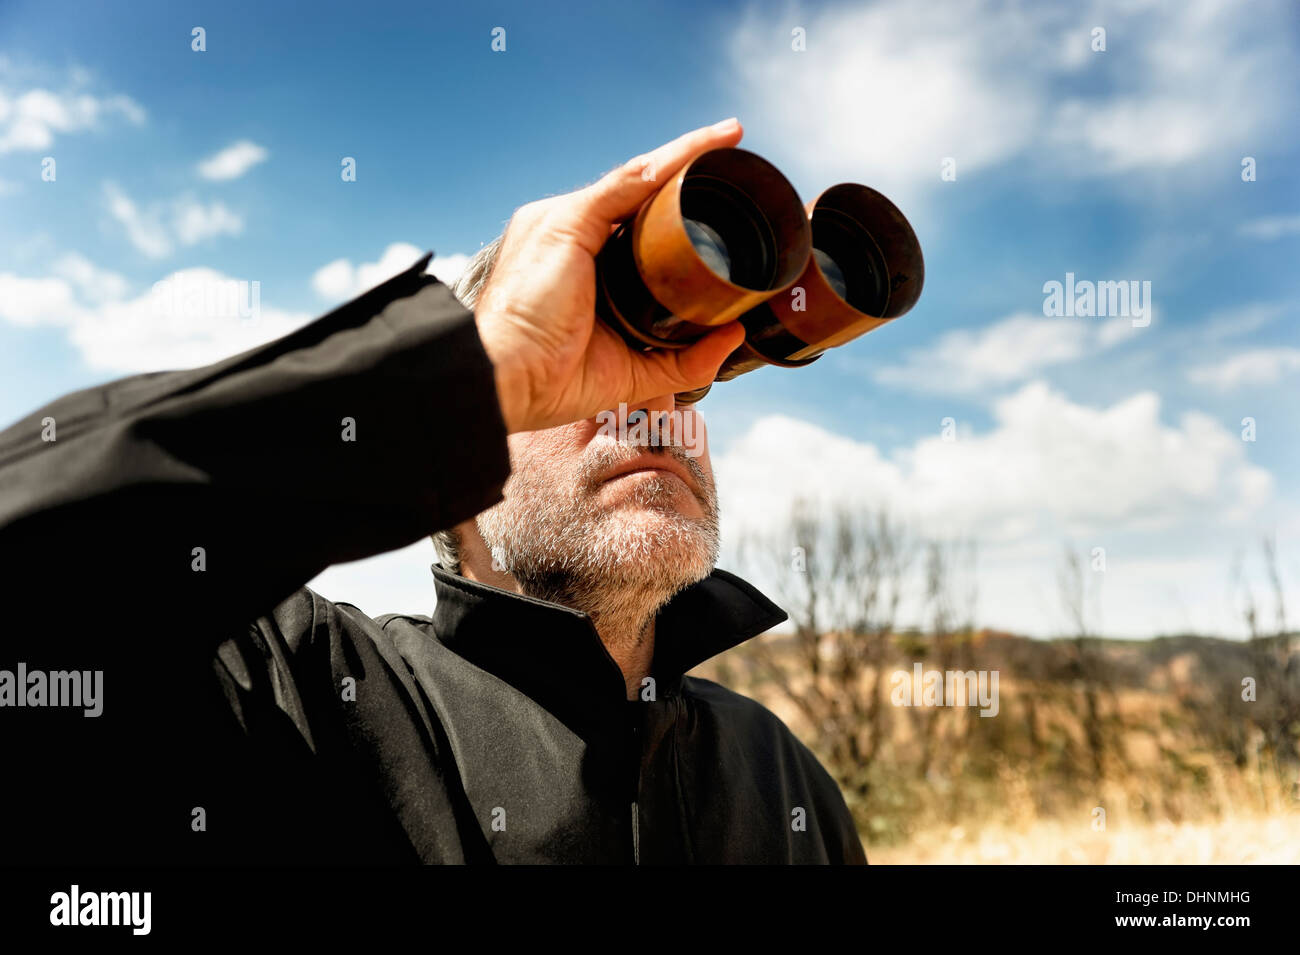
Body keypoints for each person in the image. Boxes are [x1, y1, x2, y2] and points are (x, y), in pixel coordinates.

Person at [0, 120, 866, 864]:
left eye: (684, 387)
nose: (651, 412)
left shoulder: (780, 775)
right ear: (461, 470)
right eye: (583, 377)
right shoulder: (298, 699)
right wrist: (459, 379)